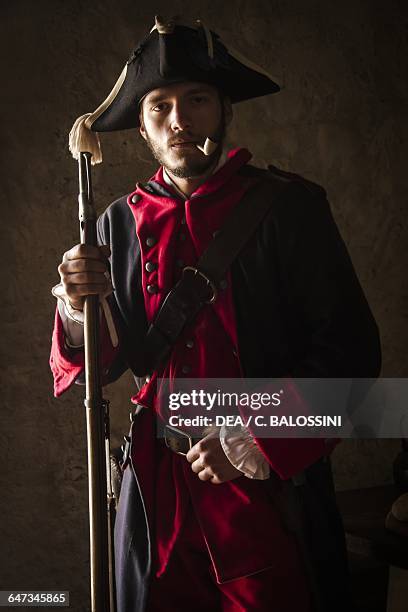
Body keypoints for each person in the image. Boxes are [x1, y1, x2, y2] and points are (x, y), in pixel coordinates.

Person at [50, 16, 381, 612]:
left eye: (197, 100)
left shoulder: (291, 208)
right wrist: (77, 311)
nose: (179, 120)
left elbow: (355, 359)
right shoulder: (115, 225)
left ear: (224, 109)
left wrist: (259, 434)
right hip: (154, 490)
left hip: (264, 488)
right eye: (161, 106)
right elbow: (101, 369)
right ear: (144, 127)